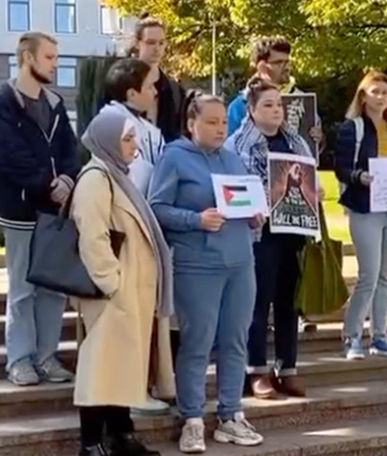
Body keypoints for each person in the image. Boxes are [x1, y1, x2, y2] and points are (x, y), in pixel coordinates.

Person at [149, 93, 264, 453]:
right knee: (197, 343)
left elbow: (245, 203)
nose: (219, 128)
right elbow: (156, 208)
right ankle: (193, 420)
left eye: (223, 123)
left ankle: (231, 415)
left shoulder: (232, 158)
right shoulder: (174, 158)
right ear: (191, 124)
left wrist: (255, 215)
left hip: (240, 262)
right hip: (197, 265)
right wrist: (195, 220)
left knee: (235, 340)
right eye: (211, 122)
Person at [71, 109, 173, 456]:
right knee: (101, 369)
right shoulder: (96, 178)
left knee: (121, 367)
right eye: (127, 139)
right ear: (109, 141)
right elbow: (93, 236)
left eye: (133, 138)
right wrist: (112, 283)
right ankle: (91, 443)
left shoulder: (116, 175)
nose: (134, 146)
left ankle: (121, 434)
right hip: (112, 293)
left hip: (130, 291)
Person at [225, 76, 316, 400]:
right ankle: (256, 371)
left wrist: (312, 191)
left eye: (279, 104)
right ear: (250, 110)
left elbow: (308, 178)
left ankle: (287, 368)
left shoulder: (296, 141)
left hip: (293, 233)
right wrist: (267, 197)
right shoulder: (238, 144)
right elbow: (236, 188)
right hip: (258, 235)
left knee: (289, 303)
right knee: (258, 302)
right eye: (268, 105)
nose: (276, 110)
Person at [0, 32, 79, 386]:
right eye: (49, 57)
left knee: (53, 287)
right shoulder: (4, 100)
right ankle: (19, 361)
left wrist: (67, 179)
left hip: (54, 212)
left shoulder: (55, 103)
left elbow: (70, 151)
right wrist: (49, 185)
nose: (55, 63)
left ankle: (47, 358)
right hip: (20, 210)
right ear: (28, 58)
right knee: (22, 290)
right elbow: (9, 155)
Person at [336, 70, 387, 360]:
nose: (380, 97)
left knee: (385, 277)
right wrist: (359, 176)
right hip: (365, 209)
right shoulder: (352, 128)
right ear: (363, 96)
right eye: (374, 91)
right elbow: (340, 167)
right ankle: (352, 337)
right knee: (368, 276)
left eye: (385, 92)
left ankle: (380, 336)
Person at [98, 58, 164, 194]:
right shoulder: (110, 121)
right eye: (150, 86)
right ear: (132, 94)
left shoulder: (148, 128)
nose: (155, 92)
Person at [131, 14, 185, 142]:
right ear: (138, 43)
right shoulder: (119, 84)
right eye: (150, 42)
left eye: (161, 43)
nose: (157, 48)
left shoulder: (174, 91)